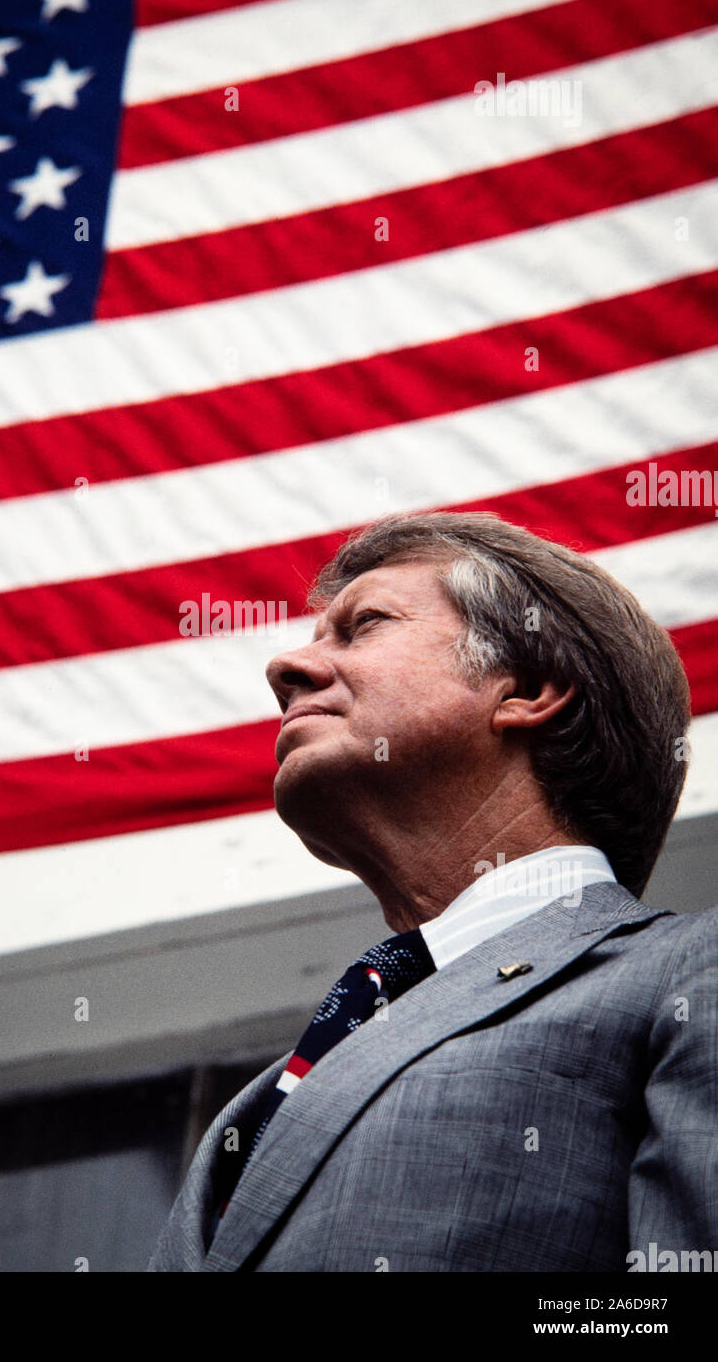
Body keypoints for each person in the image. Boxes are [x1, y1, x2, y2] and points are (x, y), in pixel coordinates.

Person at [149, 511, 718, 1272]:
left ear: (526, 688)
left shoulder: (689, 973)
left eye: (364, 626)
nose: (285, 668)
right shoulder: (268, 1095)